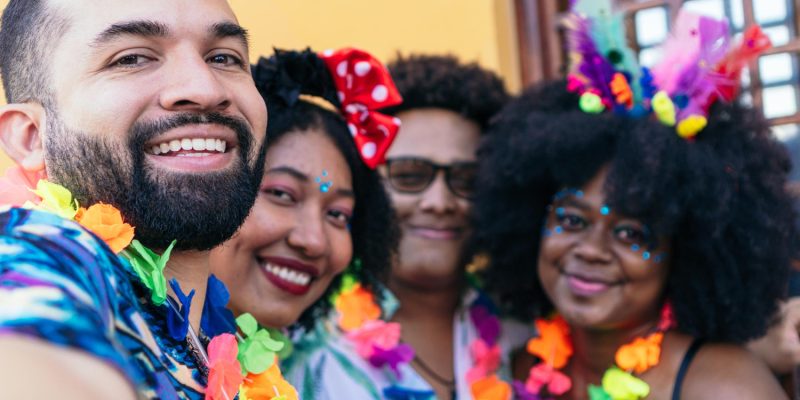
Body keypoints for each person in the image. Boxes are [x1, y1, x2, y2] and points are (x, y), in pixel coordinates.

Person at [471, 2, 794, 399]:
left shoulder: (724, 386)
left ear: (683, 254)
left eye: (631, 234)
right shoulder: (520, 369)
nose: (591, 250)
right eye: (572, 220)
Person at [0, 1, 284, 399]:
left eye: (223, 57)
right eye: (131, 58)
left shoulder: (227, 343)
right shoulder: (38, 252)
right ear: (30, 135)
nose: (205, 89)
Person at [284, 54, 533, 400]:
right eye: (409, 175)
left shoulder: (526, 337)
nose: (439, 202)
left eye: (467, 180)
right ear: (366, 185)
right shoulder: (301, 342)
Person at [209, 47, 397, 332]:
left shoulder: (318, 370)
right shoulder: (125, 335)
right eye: (282, 194)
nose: (314, 241)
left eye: (338, 214)